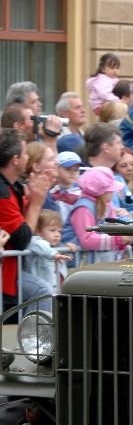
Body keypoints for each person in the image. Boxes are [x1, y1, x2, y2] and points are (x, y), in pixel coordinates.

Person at [0, 129, 51, 310]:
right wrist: (36, 205)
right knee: (43, 292)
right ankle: (36, 339)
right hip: (5, 275)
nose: (28, 157)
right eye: (25, 154)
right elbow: (22, 238)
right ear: (15, 159)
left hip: (11, 271)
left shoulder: (12, 186)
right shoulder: (3, 195)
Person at [63, 167, 133, 264]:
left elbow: (112, 230)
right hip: (78, 265)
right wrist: (117, 239)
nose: (113, 192)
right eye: (111, 189)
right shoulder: (83, 208)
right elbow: (86, 240)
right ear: (101, 192)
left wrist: (124, 238)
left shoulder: (108, 206)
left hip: (96, 263)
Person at [23, 210, 74, 290]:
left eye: (59, 231)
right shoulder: (34, 241)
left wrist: (67, 249)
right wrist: (53, 254)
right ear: (39, 231)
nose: (57, 235)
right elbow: (40, 245)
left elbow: (65, 261)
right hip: (41, 291)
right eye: (52, 230)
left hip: (57, 289)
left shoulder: (58, 246)